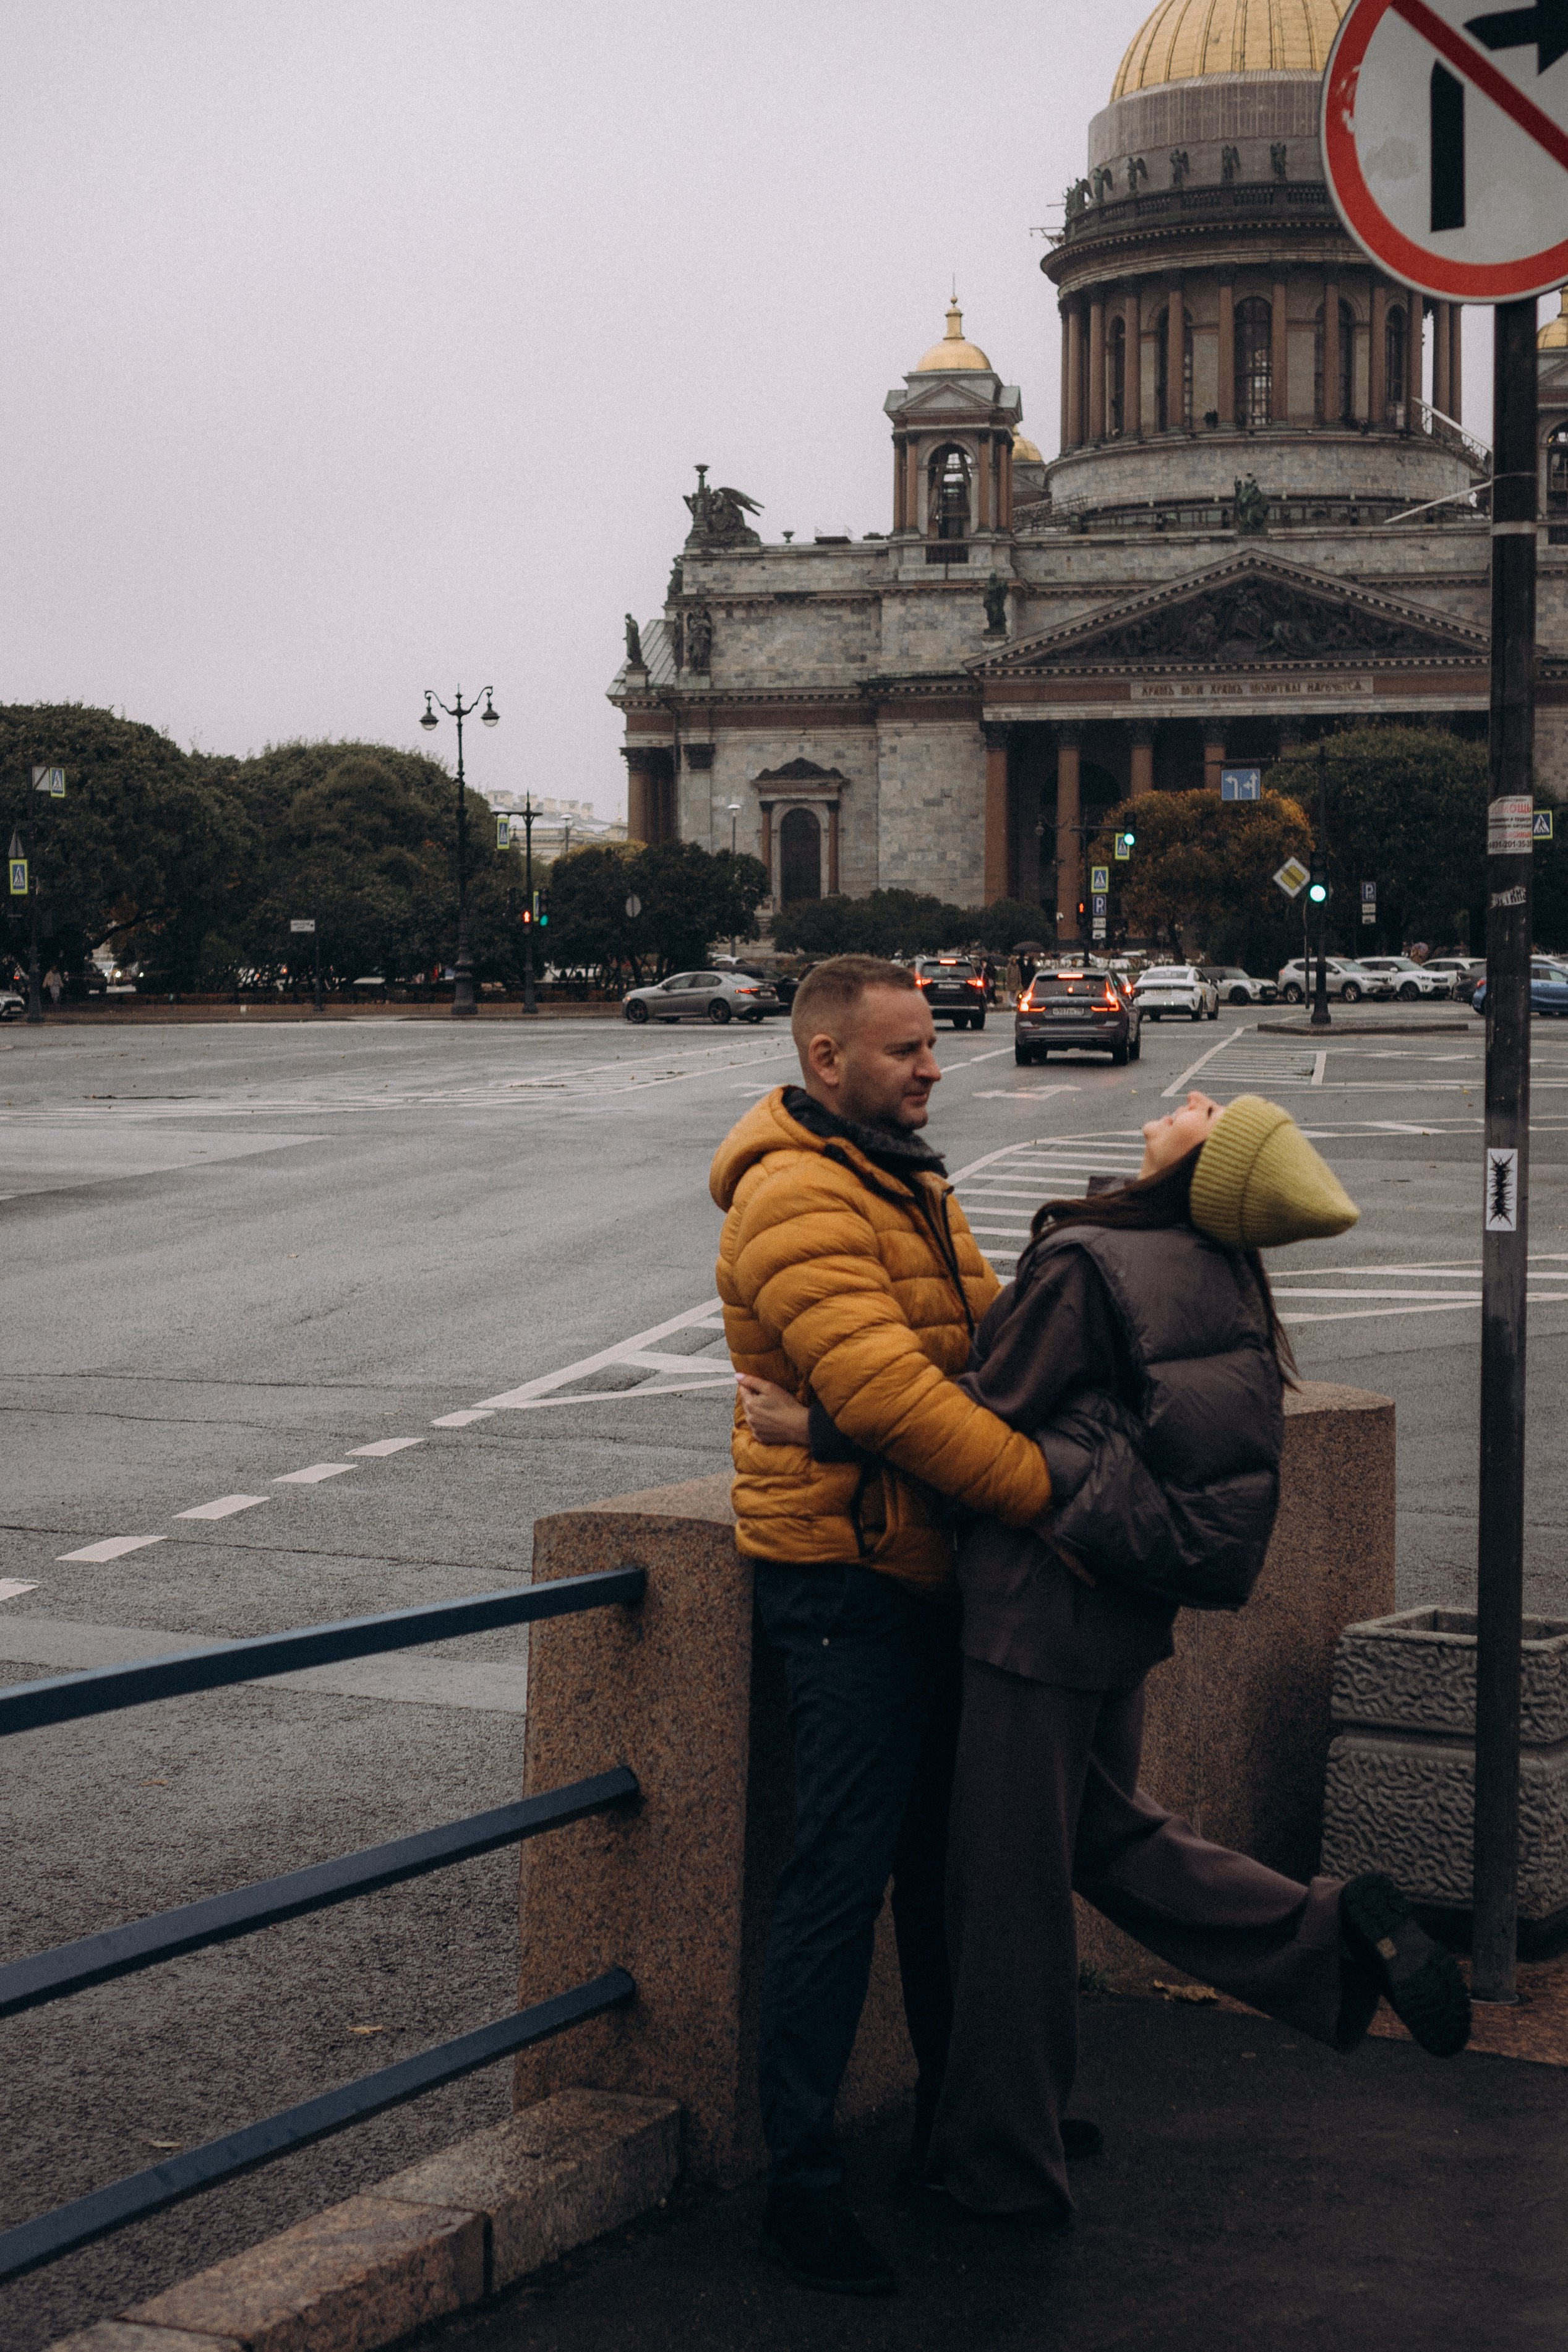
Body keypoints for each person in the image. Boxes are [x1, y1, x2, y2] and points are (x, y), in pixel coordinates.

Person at [740, 1090, 1471, 2227]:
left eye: (1210, 1110)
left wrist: (817, 1429)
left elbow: (979, 1415)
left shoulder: (1095, 1262)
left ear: (1209, 1170)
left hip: (1038, 1603)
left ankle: (1002, 2167)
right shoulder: (1220, 1270)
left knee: (1006, 1891)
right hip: (1121, 1607)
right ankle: (1326, 1944)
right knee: (1102, 1836)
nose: (1188, 1099)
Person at [710, 953, 1054, 2297]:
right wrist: (1047, 1494)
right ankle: (799, 2186)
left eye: (928, 1043)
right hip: (845, 1584)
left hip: (918, 1560)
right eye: (906, 1048)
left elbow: (974, 1351)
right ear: (825, 1061)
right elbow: (908, 1399)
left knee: (944, 1874)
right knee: (839, 1881)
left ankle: (951, 2131)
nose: (933, 1063)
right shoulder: (797, 1193)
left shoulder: (899, 1172)